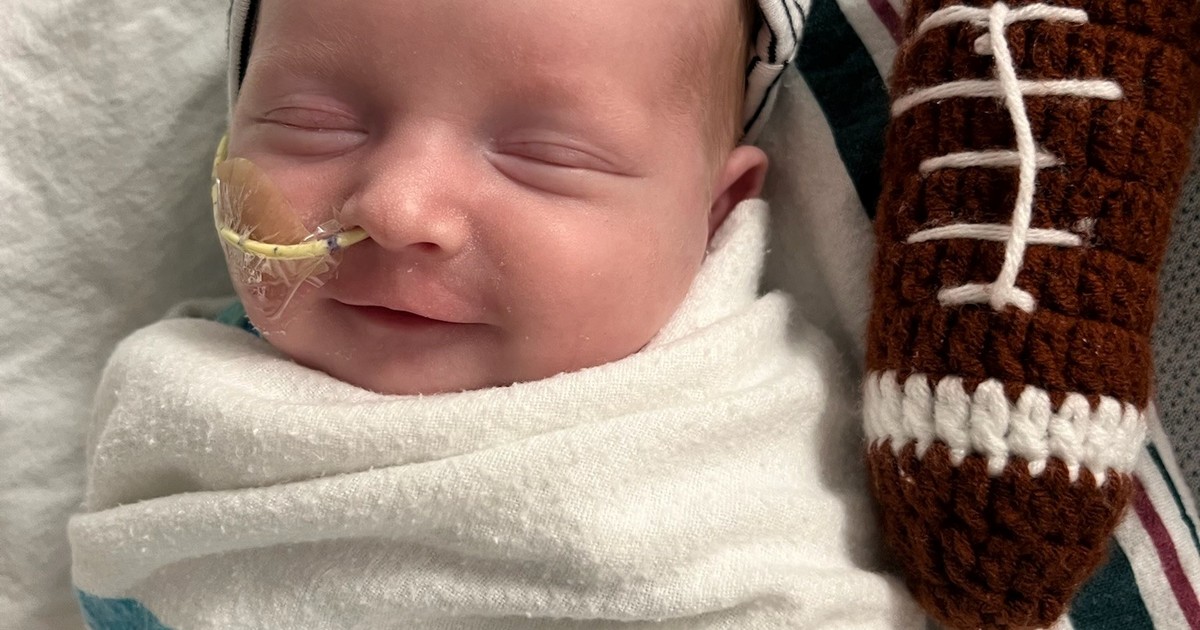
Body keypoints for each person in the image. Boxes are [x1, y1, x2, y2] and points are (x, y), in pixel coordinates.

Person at [69, 1, 924, 627]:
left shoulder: (746, 434)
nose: (399, 210)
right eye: (313, 124)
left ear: (711, 214)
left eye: (543, 155)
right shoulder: (186, 409)